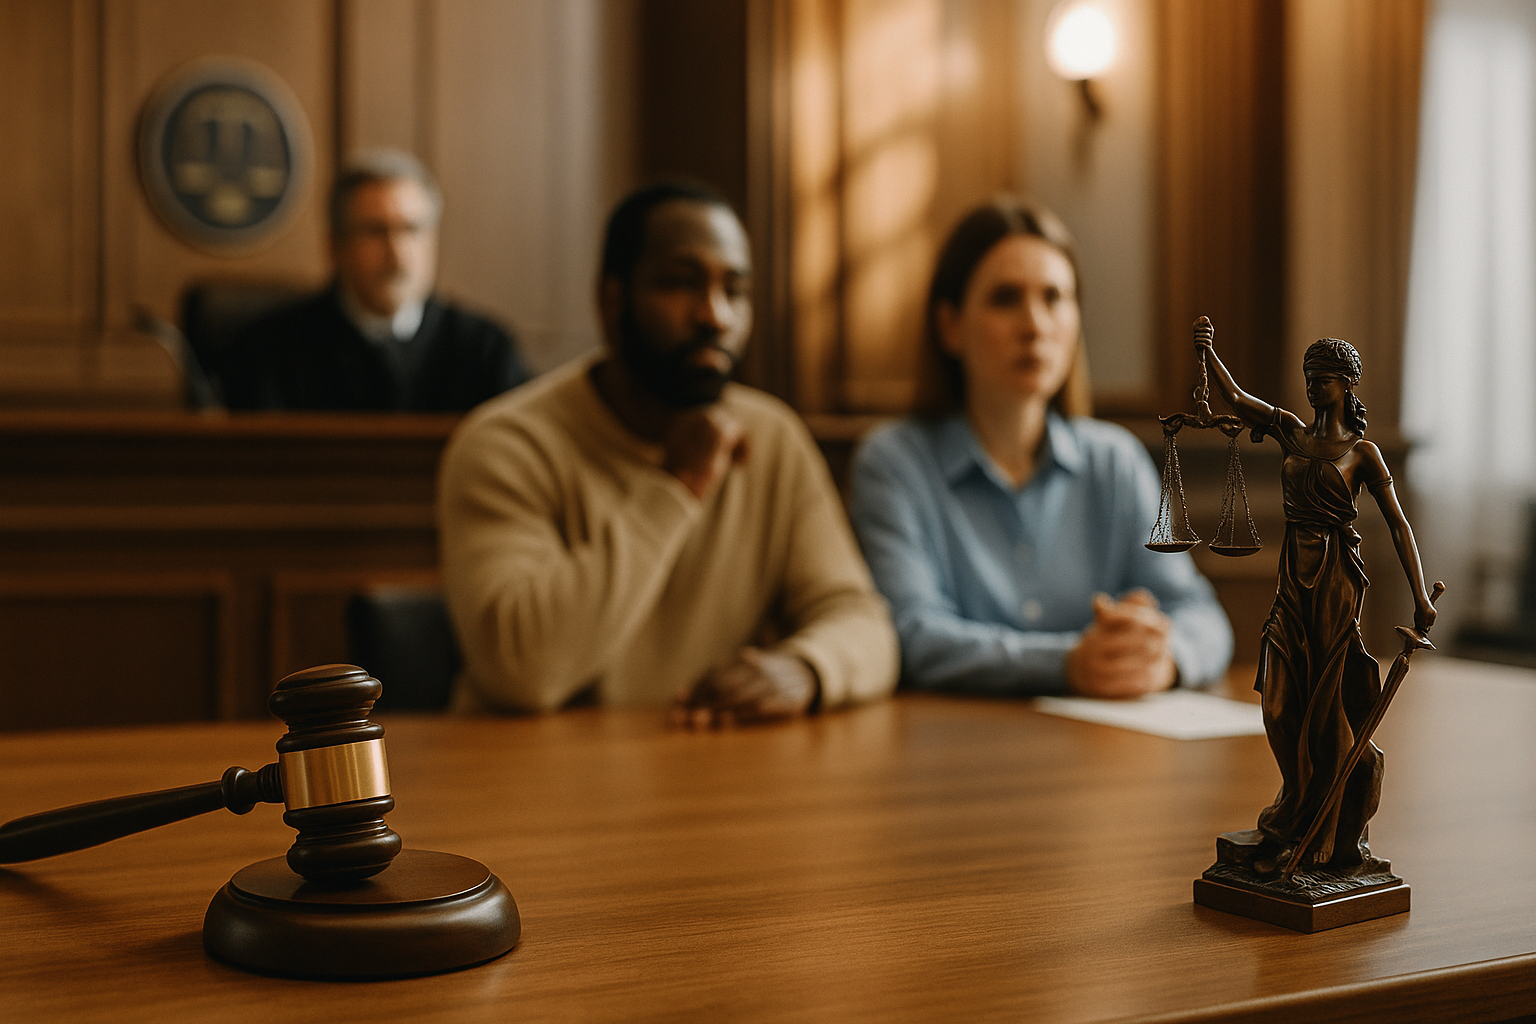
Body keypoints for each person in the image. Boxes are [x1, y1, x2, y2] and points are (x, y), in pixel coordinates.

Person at [437, 181, 898, 724]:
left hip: (705, 759)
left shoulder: (773, 437)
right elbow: (522, 669)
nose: (715, 316)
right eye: (681, 284)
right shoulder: (505, 446)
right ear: (611, 300)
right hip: (529, 767)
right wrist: (677, 486)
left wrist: (807, 669)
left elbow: (863, 623)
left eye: (735, 291)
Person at [849, 198, 1232, 697]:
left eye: (1054, 298)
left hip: (1104, 738)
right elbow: (912, 635)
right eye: (1005, 299)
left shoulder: (1115, 461)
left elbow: (1201, 616)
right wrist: (1068, 663)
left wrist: (1160, 657)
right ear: (950, 326)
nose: (1034, 326)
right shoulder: (894, 463)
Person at [1201, 332, 1436, 878]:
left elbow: (1398, 525)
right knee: (1279, 704)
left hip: (1335, 584)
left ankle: (1321, 835)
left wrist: (1420, 594)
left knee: (1327, 715)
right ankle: (1296, 806)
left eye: (1323, 378)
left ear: (1346, 384)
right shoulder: (1290, 431)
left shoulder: (1363, 453)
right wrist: (1208, 352)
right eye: (1308, 377)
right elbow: (1237, 401)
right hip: (1292, 581)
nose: (1312, 387)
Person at [224, 149, 530, 411]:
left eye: (412, 230)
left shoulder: (485, 348)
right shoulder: (269, 351)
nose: (397, 254)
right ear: (335, 247)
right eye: (375, 231)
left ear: (433, 242)